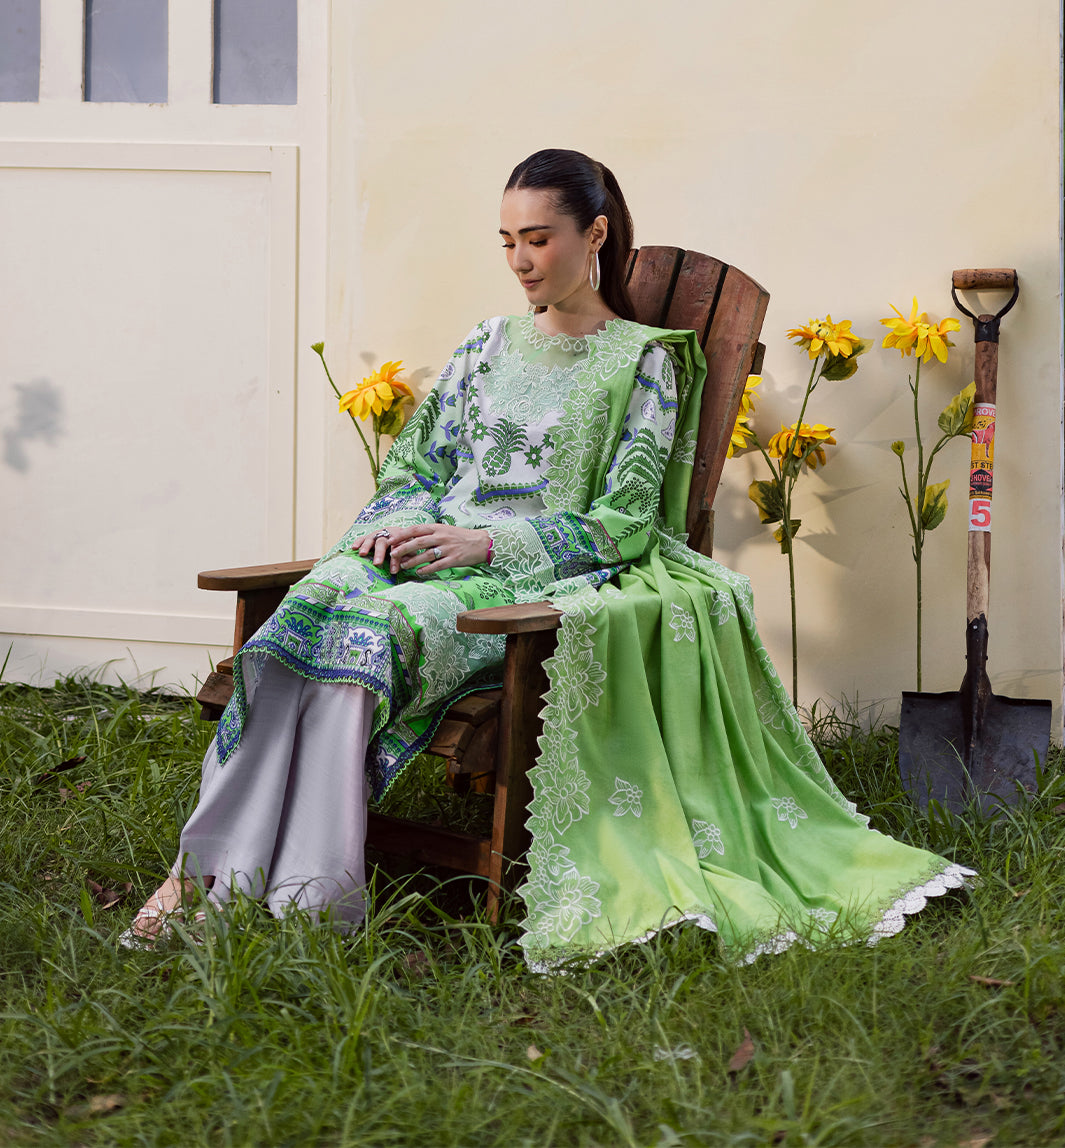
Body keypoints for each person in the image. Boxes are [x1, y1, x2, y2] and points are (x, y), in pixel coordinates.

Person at [126, 148, 973, 966]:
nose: (520, 261)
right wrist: (397, 530)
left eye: (538, 239)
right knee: (302, 618)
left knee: (369, 636)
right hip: (421, 552)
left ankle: (305, 896)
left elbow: (625, 521)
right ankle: (198, 873)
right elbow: (415, 468)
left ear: (593, 234)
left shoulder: (642, 363)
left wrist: (484, 542)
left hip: (515, 579)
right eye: (507, 241)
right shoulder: (483, 345)